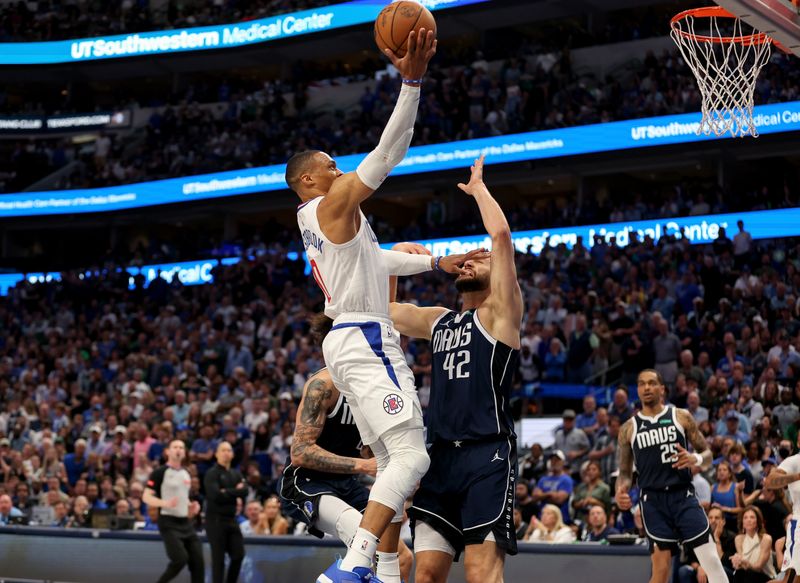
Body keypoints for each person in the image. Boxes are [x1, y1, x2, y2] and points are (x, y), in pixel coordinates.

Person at [289, 27, 479, 583]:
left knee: (397, 467)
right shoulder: (332, 203)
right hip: (366, 337)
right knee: (413, 459)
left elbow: (377, 262)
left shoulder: (329, 224)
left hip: (347, 339)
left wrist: (435, 264)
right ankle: (352, 567)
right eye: (328, 163)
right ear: (309, 179)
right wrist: (412, 84)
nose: (337, 167)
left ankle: (379, 575)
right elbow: (387, 154)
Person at [389, 155, 522, 583]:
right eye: (465, 260)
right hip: (440, 458)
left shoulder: (501, 314)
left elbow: (500, 236)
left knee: (482, 574)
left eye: (478, 260)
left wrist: (478, 189)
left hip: (488, 455)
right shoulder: (440, 320)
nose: (468, 262)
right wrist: (393, 260)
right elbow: (386, 312)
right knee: (425, 575)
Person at [279, 367, 412, 583]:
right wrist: (364, 465)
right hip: (305, 482)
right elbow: (300, 452)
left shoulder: (374, 389)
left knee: (402, 558)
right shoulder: (323, 385)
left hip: (346, 484)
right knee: (363, 542)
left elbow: (369, 450)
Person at [616, 369, 728, 583]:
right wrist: (620, 491)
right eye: (641, 384)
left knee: (711, 560)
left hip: (682, 496)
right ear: (637, 390)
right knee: (660, 571)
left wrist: (693, 459)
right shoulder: (628, 428)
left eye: (651, 383)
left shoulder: (680, 416)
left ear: (662, 389)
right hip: (653, 502)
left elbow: (707, 454)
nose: (646, 387)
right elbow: (624, 472)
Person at [143, 440, 203, 583]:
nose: (178, 450)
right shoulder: (160, 472)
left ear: (184, 452)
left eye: (182, 447)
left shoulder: (186, 473)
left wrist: (192, 506)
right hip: (168, 522)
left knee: (198, 561)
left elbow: (183, 497)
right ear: (167, 451)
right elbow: (146, 496)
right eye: (175, 447)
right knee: (180, 559)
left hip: (185, 522)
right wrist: (164, 503)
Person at [204, 441, 248, 583]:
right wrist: (235, 491)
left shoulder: (236, 473)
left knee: (238, 555)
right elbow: (215, 495)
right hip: (215, 520)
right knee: (219, 560)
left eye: (229, 450)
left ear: (233, 454)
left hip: (231, 519)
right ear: (216, 454)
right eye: (223, 450)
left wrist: (226, 491)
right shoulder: (212, 473)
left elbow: (245, 491)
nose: (226, 453)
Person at [763, 449, 800, 581]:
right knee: (792, 577)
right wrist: (797, 476)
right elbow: (770, 481)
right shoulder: (794, 461)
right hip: (799, 526)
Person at [731, 506, 775, 583]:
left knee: (748, 574)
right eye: (745, 518)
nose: (748, 520)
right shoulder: (738, 539)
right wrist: (737, 562)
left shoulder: (766, 539)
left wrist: (745, 563)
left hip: (764, 576)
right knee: (739, 573)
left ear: (758, 521)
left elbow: (759, 566)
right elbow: (741, 563)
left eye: (752, 517)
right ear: (742, 523)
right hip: (746, 574)